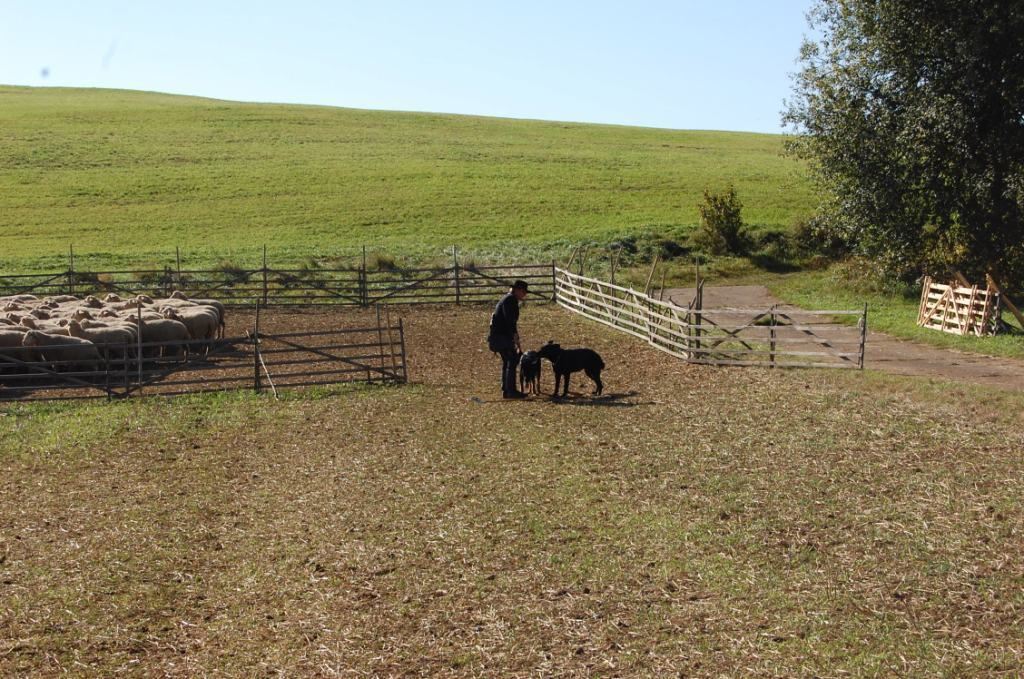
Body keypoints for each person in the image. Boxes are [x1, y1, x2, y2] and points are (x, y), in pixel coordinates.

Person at [488, 279, 529, 398]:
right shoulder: (510, 301)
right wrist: (515, 337)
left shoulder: (508, 299)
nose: (524, 294)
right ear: (517, 290)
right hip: (501, 337)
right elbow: (510, 321)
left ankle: (506, 388)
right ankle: (510, 390)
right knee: (512, 360)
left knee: (508, 360)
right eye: (523, 291)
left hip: (498, 336)